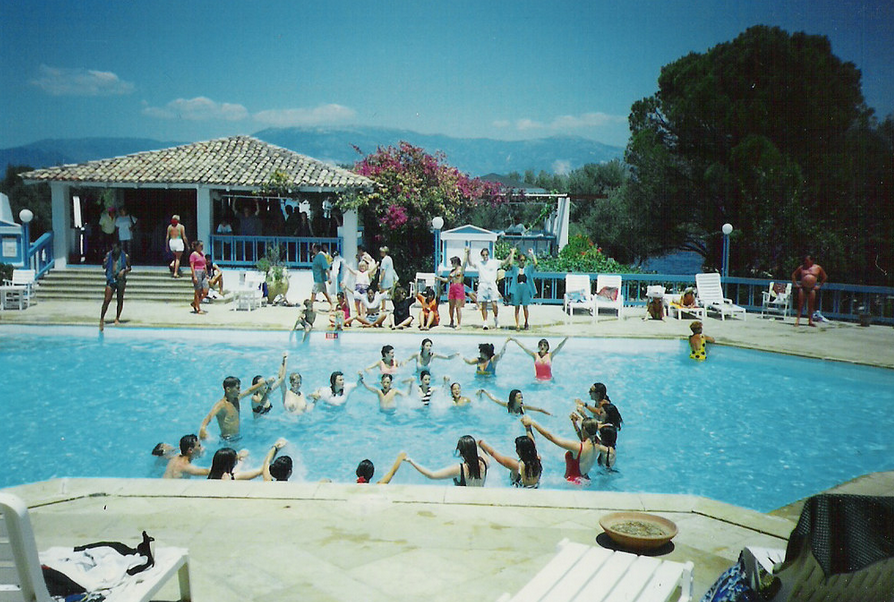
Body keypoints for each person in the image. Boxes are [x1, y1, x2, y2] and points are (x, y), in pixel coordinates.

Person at [522, 414, 614, 483]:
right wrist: (575, 423)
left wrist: (533, 423)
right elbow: (585, 436)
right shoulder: (597, 443)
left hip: (572, 483)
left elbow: (551, 437)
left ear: (584, 429)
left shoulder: (577, 447)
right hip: (586, 481)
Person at [198, 375, 272, 440]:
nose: (240, 390)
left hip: (237, 437)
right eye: (237, 388)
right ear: (228, 389)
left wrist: (264, 382)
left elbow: (249, 391)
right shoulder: (221, 405)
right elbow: (210, 416)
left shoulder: (236, 399)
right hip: (227, 440)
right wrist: (203, 428)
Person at [404, 435, 489, 487]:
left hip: (463, 503)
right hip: (478, 498)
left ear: (461, 452)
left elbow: (431, 475)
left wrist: (411, 461)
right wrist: (478, 446)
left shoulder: (460, 469)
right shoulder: (485, 462)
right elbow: (483, 453)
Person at [463, 246, 507, 330]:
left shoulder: (494, 262)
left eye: (486, 255)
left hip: (492, 284)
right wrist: (468, 254)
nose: (485, 256)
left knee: (494, 304)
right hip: (483, 284)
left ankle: (496, 319)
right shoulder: (479, 263)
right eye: (483, 255)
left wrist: (511, 254)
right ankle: (485, 322)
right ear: (481, 255)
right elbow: (471, 263)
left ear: (488, 255)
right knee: (484, 305)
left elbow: (504, 262)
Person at [478, 431, 542, 488]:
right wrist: (528, 429)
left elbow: (494, 454)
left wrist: (481, 443)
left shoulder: (516, 465)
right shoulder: (538, 460)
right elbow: (533, 446)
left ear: (521, 450)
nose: (516, 450)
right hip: (535, 491)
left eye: (517, 448)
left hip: (519, 494)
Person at [99, 242, 131, 331]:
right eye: (113, 248)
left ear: (119, 248)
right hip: (111, 278)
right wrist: (104, 262)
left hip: (121, 280)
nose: (114, 250)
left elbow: (129, 267)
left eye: (116, 248)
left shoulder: (125, 256)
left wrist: (124, 271)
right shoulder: (109, 255)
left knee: (119, 299)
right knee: (106, 300)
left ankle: (117, 318)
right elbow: (104, 266)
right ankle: (102, 318)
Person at [792, 255, 828, 327]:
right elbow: (793, 275)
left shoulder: (817, 268)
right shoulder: (802, 267)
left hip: (812, 288)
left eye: (807, 260)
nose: (806, 262)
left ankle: (810, 321)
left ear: (812, 261)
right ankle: (797, 320)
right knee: (800, 304)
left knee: (811, 305)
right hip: (803, 287)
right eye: (805, 260)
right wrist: (795, 284)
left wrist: (819, 285)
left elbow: (824, 277)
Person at [507, 248, 538, 330]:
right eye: (521, 260)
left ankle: (526, 321)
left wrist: (532, 254)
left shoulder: (527, 269)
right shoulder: (515, 269)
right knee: (517, 307)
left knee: (525, 307)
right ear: (518, 261)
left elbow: (535, 263)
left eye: (524, 260)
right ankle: (517, 324)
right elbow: (510, 263)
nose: (522, 262)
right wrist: (512, 253)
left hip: (525, 288)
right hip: (517, 288)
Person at [436, 255, 465, 328]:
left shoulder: (461, 269)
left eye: (452, 262)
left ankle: (459, 323)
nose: (451, 264)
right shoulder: (452, 271)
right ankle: (451, 320)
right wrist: (438, 278)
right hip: (452, 287)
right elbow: (447, 280)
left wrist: (466, 253)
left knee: (458, 307)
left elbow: (465, 262)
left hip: (459, 287)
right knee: (451, 307)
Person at [477, 388, 551, 415]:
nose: (521, 399)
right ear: (513, 398)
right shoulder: (508, 405)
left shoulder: (524, 407)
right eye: (519, 398)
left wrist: (550, 415)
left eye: (521, 397)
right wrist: (485, 392)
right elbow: (495, 400)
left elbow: (539, 409)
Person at [189, 241, 210, 314]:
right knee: (197, 291)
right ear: (196, 247)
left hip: (203, 272)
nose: (202, 247)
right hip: (197, 272)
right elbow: (192, 265)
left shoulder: (202, 254)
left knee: (205, 290)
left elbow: (204, 264)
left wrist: (206, 274)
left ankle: (195, 302)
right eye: (200, 246)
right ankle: (198, 308)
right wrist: (194, 276)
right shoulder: (193, 255)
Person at [310, 243, 332, 307]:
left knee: (314, 292)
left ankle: (310, 306)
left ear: (315, 249)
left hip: (319, 278)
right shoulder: (317, 256)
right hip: (318, 278)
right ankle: (331, 304)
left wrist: (329, 278)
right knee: (324, 292)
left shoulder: (321, 256)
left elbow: (326, 267)